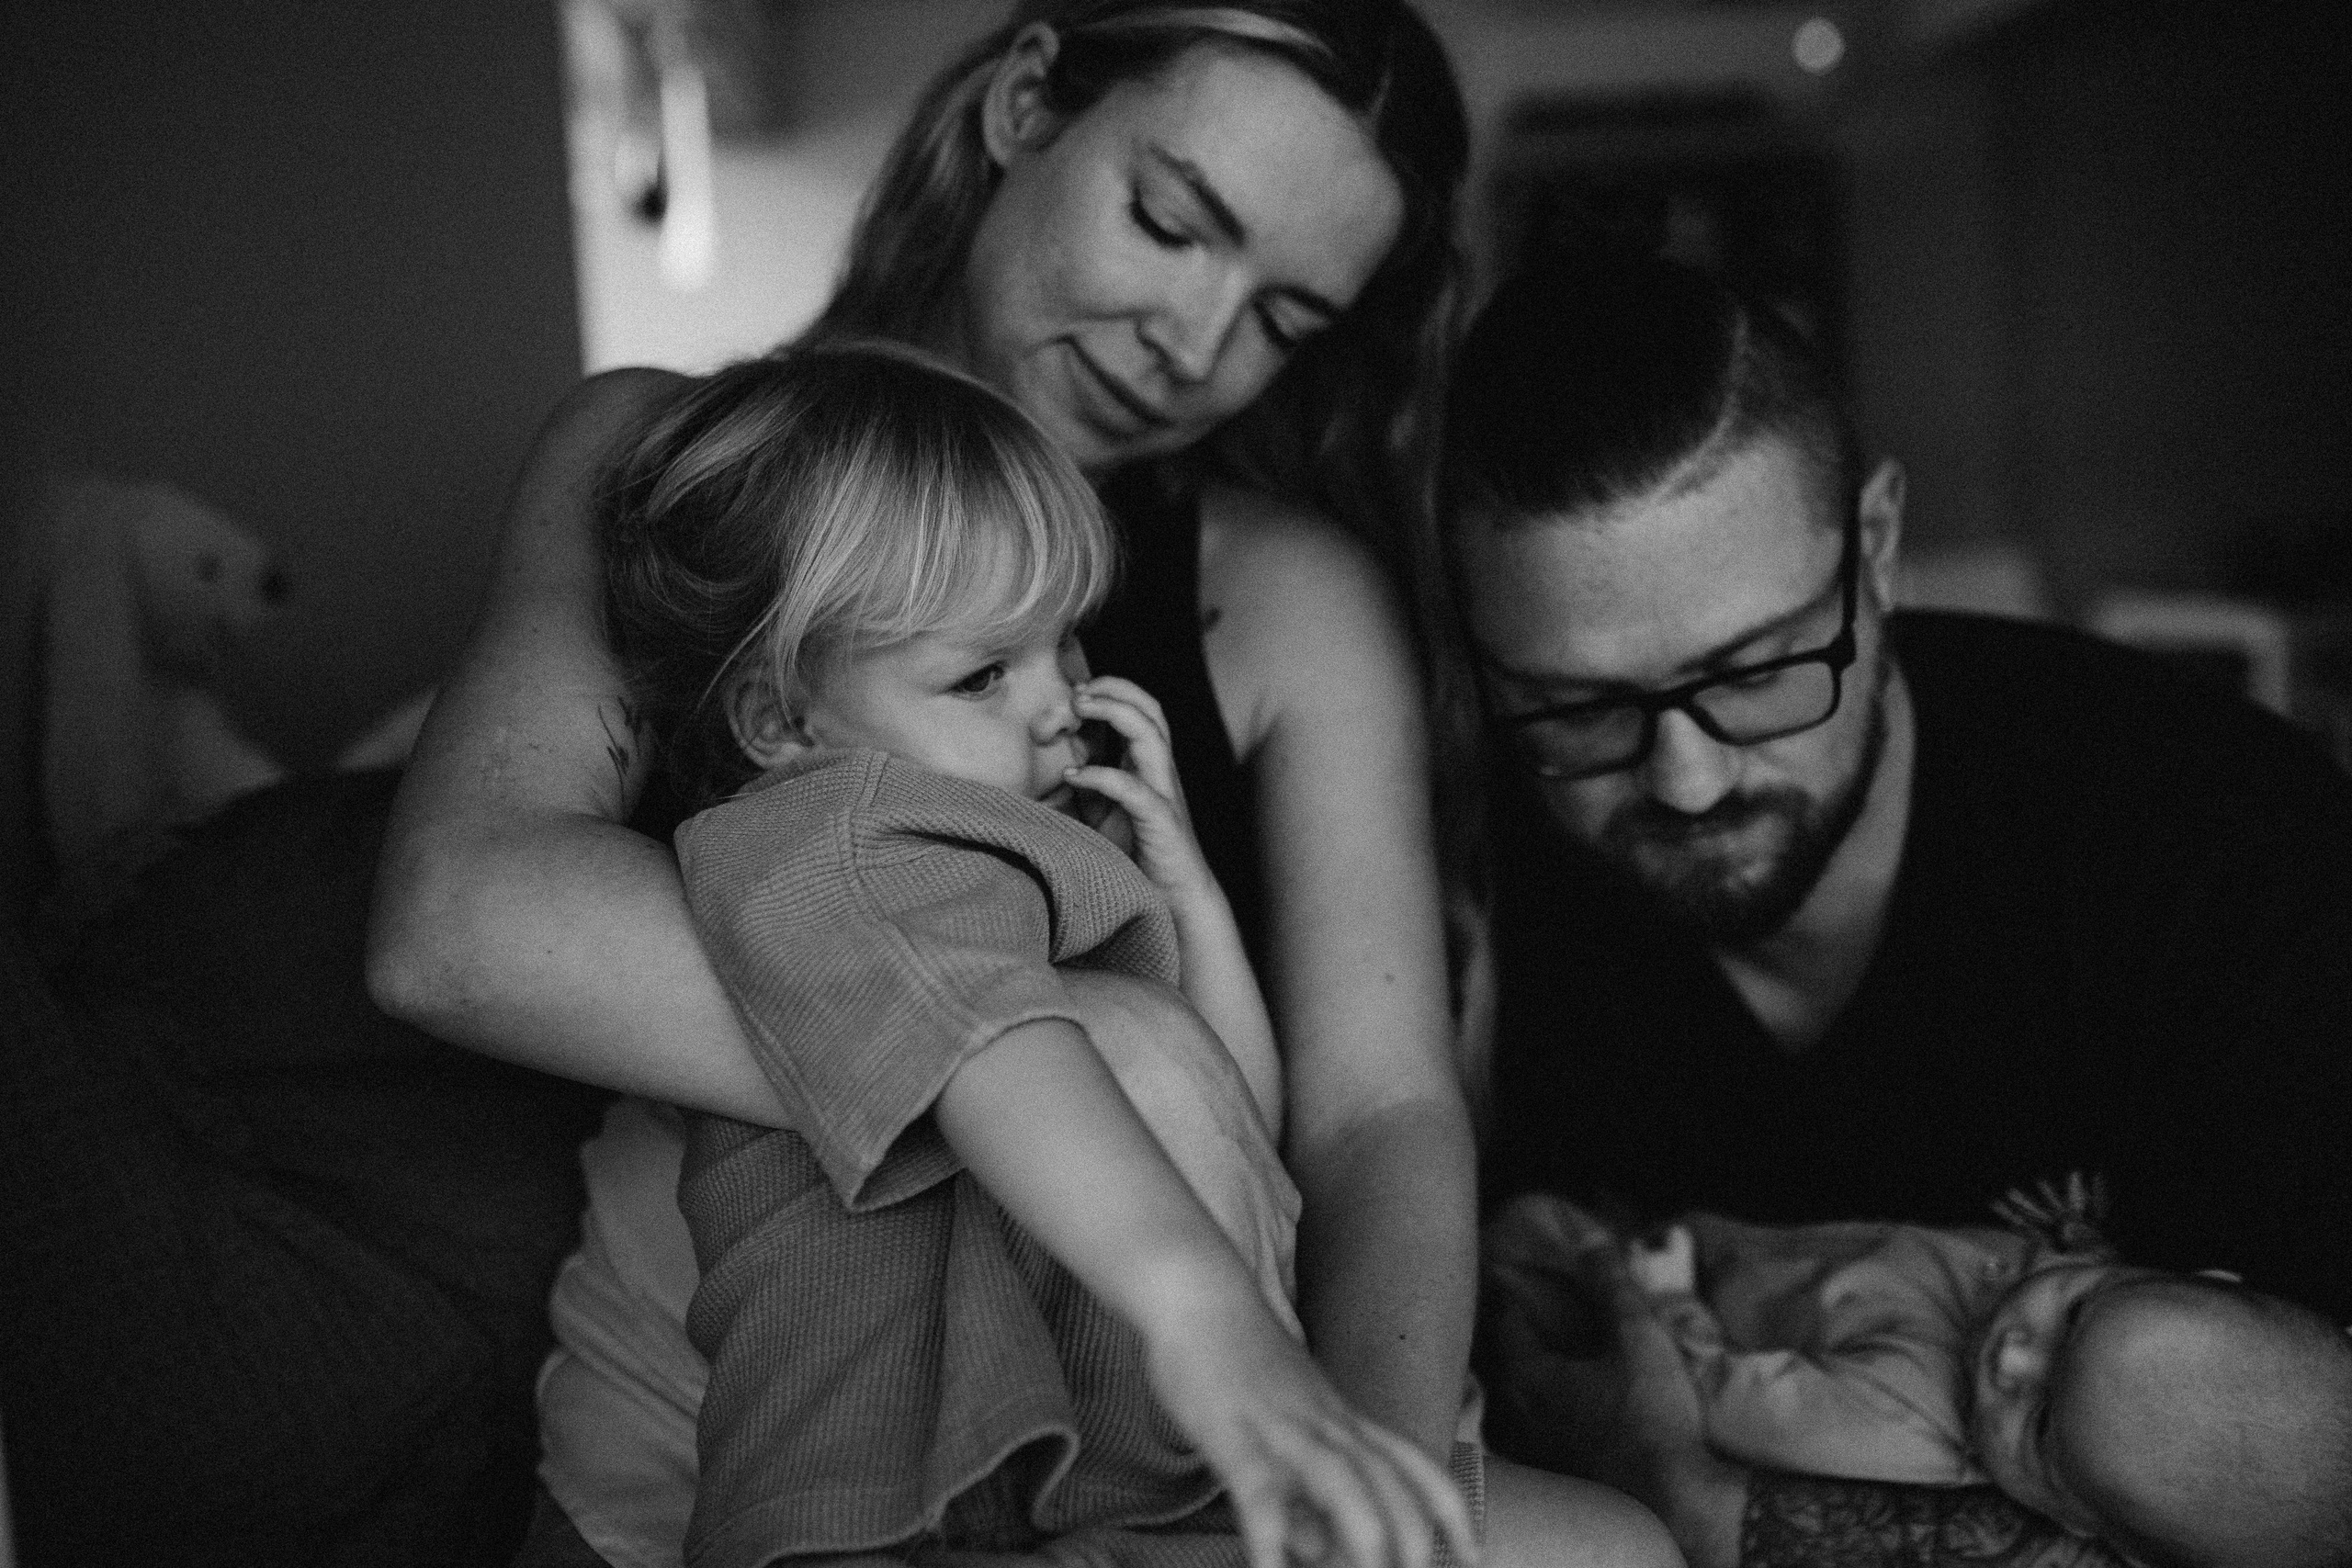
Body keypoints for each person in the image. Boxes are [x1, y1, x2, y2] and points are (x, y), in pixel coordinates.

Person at [368, 5, 1673, 1566]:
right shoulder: (669, 464)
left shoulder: (1277, 595)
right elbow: (459, 925)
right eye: (1171, 221)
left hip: (1170, 1439)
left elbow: (1383, 1112)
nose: (1194, 347)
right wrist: (1089, 1044)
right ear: (1026, 101)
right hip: (783, 1421)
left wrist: (1353, 1488)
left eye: (1284, 319)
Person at [1438, 252, 2352, 1567]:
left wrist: (1697, 1505)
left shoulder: (2225, 854)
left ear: (1873, 549)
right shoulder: (1476, 889)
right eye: (1578, 707)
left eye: (1755, 671)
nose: (1685, 778)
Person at [601, 340, 1467, 1568]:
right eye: (984, 673)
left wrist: (1188, 900)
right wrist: (1210, 1320)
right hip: (880, 1518)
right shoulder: (831, 838)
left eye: (1066, 640)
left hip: (1099, 1499)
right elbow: (996, 1055)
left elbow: (1227, 1128)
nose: (1059, 698)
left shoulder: (1027, 860)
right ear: (782, 718)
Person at [1482, 1189, 2352, 1568]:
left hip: (1667, 1288)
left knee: (1526, 1239)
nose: (2013, 1353)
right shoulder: (2086, 1287)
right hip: (1738, 1235)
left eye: (2042, 1425)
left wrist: (1668, 1300)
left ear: (2080, 1520)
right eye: (2079, 1310)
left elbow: (1719, 1401)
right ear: (2205, 1278)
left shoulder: (1900, 1420)